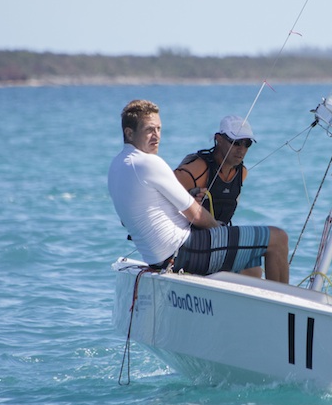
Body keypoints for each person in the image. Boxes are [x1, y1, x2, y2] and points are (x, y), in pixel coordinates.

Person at [107, 100, 289, 283]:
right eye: (149, 130)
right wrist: (221, 232)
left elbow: (137, 214)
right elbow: (197, 214)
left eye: (159, 129)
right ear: (129, 133)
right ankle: (284, 300)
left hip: (158, 258)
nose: (156, 136)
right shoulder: (149, 163)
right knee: (278, 238)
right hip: (181, 251)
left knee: (252, 268)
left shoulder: (116, 165)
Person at [175, 115, 262, 278]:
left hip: (218, 240)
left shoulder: (241, 173)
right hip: (189, 243)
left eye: (247, 144)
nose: (241, 149)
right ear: (219, 139)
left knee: (254, 265)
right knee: (272, 240)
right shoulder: (197, 170)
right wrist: (188, 199)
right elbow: (160, 199)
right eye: (236, 142)